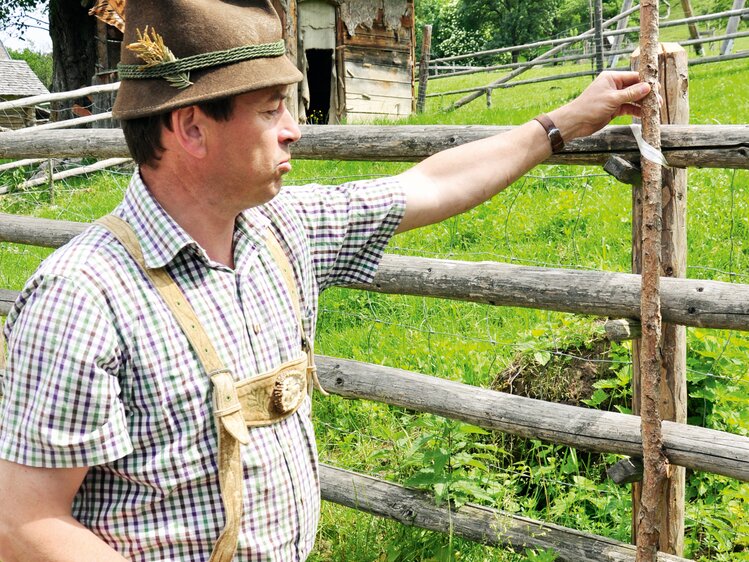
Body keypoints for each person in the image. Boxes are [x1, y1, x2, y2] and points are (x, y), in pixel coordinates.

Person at [0, 1, 651, 560]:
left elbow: (426, 184)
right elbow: (24, 524)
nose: (294, 131)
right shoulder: (82, 296)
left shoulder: (283, 231)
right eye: (270, 110)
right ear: (191, 127)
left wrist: (563, 120)